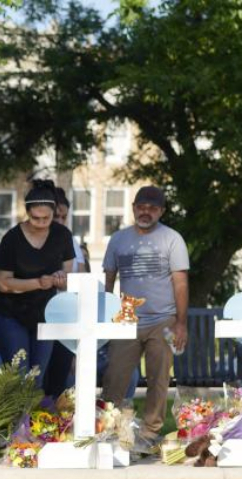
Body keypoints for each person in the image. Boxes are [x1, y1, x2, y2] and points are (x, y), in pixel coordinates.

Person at [101, 185, 190, 448]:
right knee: (114, 377)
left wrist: (181, 324)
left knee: (159, 378)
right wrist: (104, 316)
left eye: (152, 208)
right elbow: (108, 281)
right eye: (141, 207)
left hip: (164, 320)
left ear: (161, 211)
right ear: (133, 208)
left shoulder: (172, 239)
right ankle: (108, 430)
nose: (146, 212)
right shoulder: (118, 239)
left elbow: (181, 283)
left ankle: (150, 434)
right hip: (126, 321)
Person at [0, 179, 76, 383]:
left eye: (46, 218)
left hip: (45, 314)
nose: (41, 222)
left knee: (36, 378)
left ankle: (35, 406)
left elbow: (68, 275)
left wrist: (60, 278)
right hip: (11, 314)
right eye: (35, 218)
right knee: (19, 377)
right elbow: (1, 282)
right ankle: (16, 407)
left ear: (54, 212)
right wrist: (38, 283)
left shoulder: (62, 235)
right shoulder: (12, 238)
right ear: (27, 212)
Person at [42, 185, 88, 397]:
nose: (60, 221)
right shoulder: (36, 237)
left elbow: (80, 276)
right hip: (40, 311)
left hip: (66, 313)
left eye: (64, 216)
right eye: (56, 216)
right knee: (40, 373)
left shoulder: (70, 240)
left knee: (60, 374)